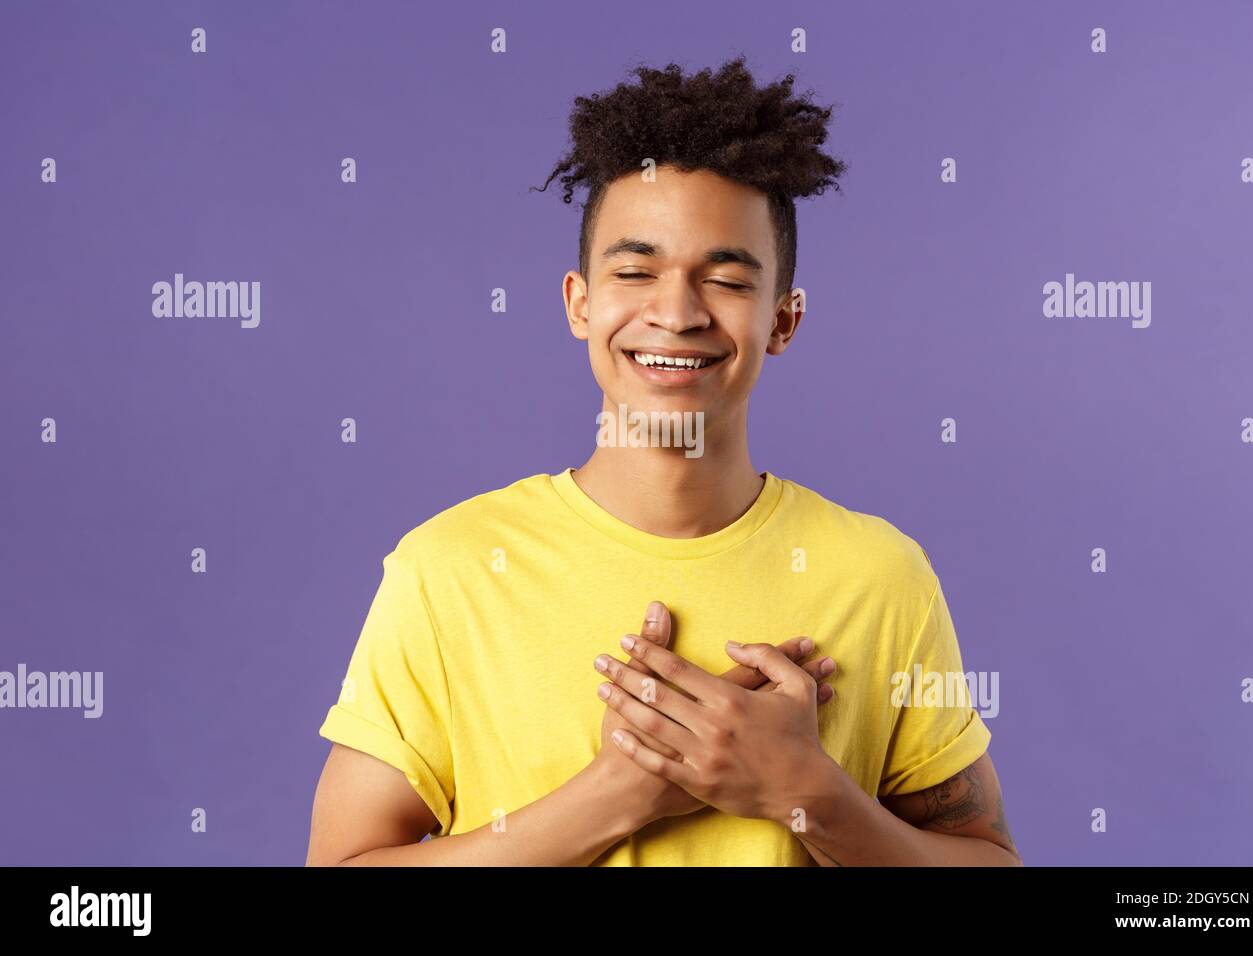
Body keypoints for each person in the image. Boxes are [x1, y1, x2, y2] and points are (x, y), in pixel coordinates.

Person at [305, 57, 1019, 866]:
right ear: (581, 302)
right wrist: (619, 793)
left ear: (784, 320)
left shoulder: (881, 575)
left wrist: (805, 795)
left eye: (724, 279)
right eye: (636, 271)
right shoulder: (448, 572)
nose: (675, 313)